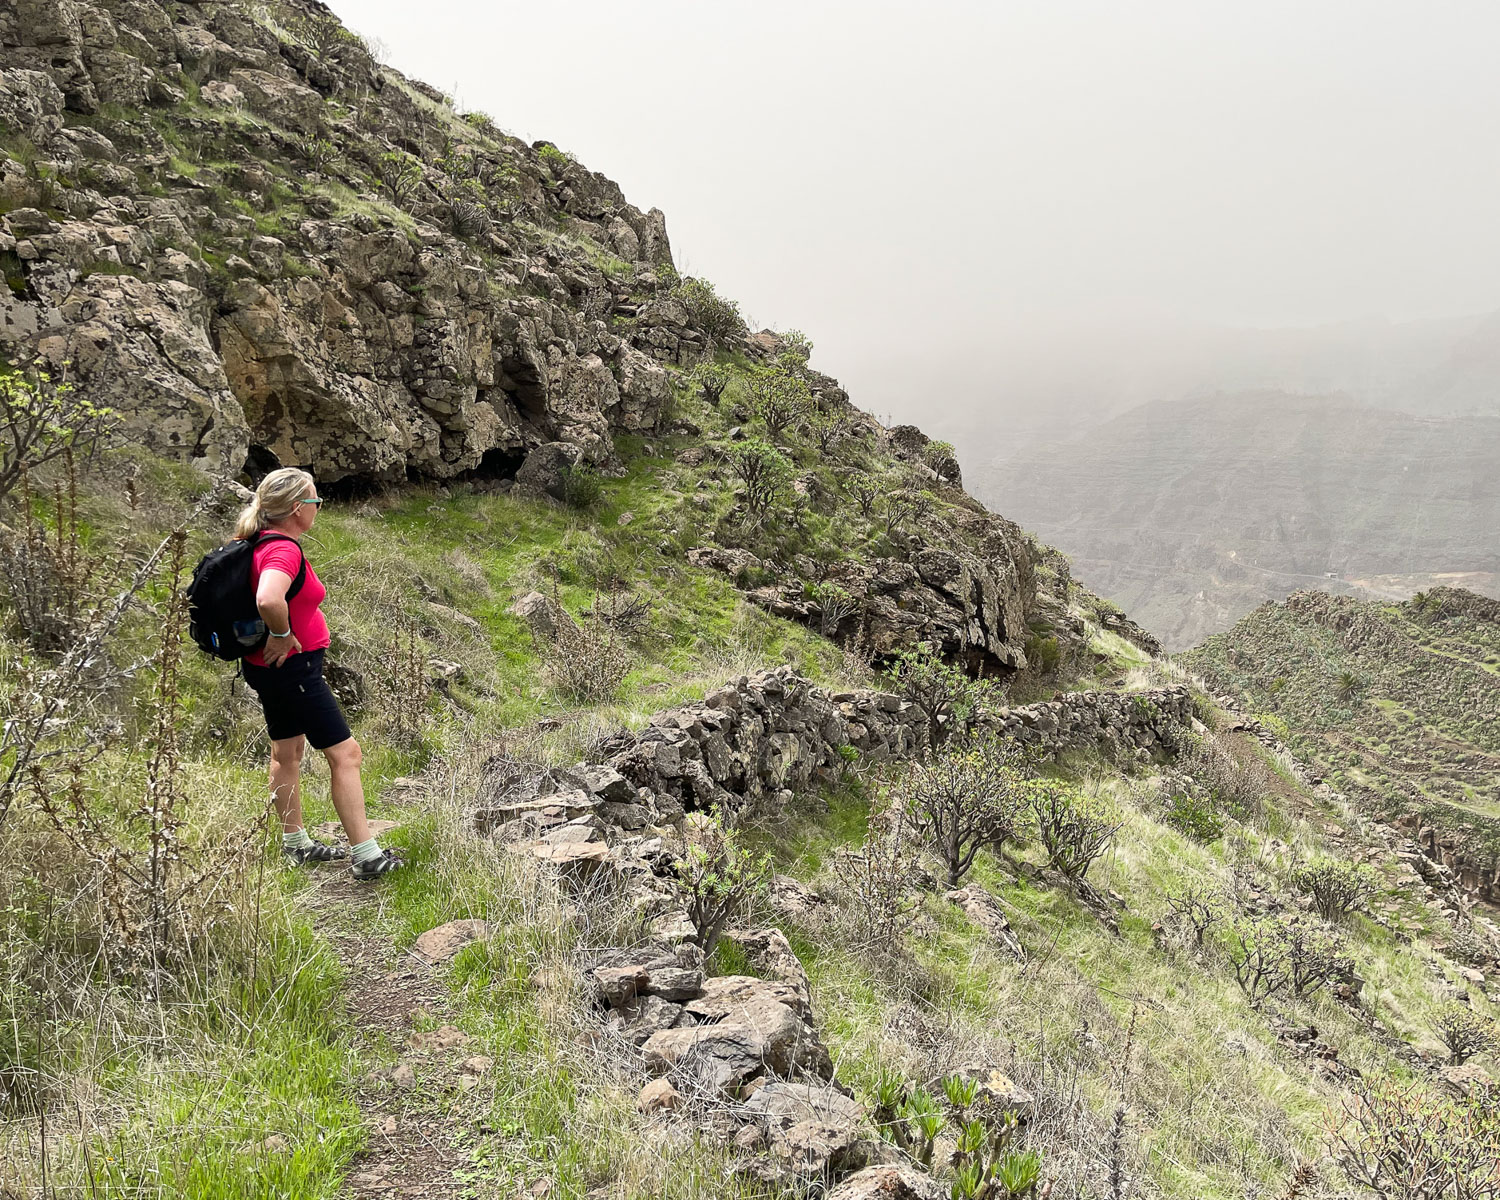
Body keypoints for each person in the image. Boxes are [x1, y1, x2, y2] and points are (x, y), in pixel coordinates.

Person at [232, 467, 405, 881]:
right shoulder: (284, 550)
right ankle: (366, 855)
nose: (319, 509)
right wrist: (282, 633)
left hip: (266, 668)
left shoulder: (256, 541)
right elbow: (269, 597)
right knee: (346, 755)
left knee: (286, 753)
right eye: (316, 502)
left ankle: (296, 845)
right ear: (297, 508)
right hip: (292, 668)